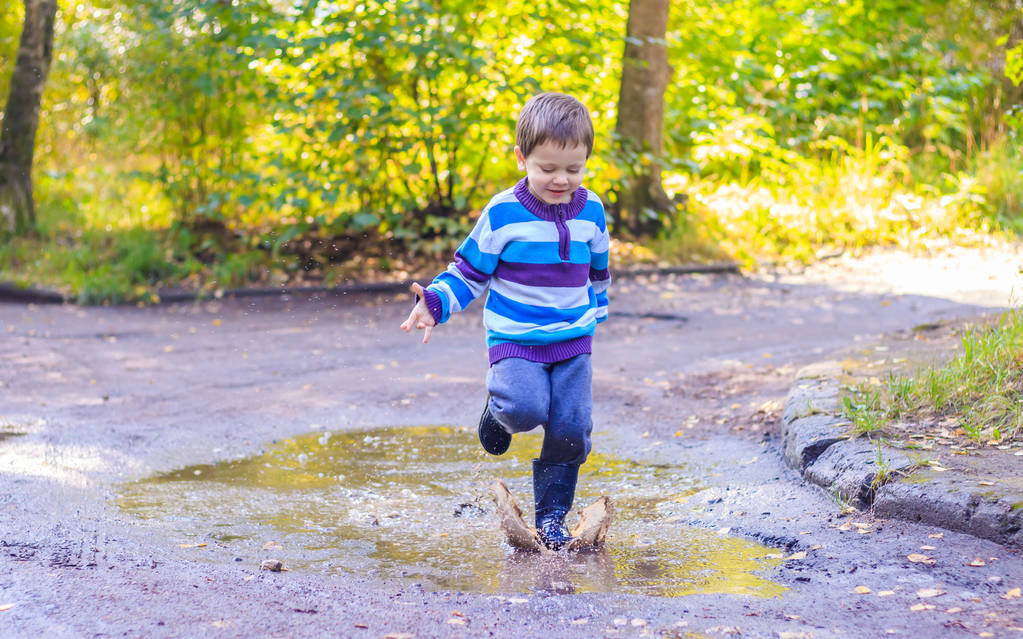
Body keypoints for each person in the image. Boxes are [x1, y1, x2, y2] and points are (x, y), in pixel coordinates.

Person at [400, 92, 611, 550]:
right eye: (547, 168)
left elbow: (598, 267)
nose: (561, 179)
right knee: (524, 409)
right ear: (522, 158)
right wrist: (434, 302)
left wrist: (597, 307)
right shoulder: (502, 213)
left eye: (574, 169)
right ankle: (497, 414)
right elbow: (469, 270)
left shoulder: (592, 209)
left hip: (574, 339)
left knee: (572, 430)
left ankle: (552, 517)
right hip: (515, 339)